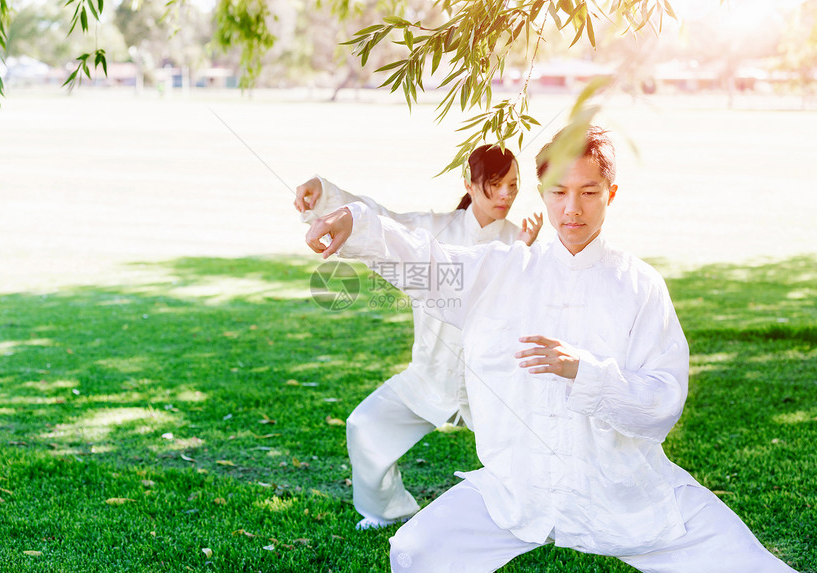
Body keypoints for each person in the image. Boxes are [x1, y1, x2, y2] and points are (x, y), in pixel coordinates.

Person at [304, 126, 798, 572]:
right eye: (559, 193)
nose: (572, 209)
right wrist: (360, 229)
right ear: (542, 194)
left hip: (621, 489)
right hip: (518, 490)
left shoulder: (640, 285)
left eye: (588, 193)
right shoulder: (503, 270)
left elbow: (662, 402)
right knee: (416, 551)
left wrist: (586, 372)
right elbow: (429, 264)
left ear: (612, 195)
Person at [294, 145, 543, 530]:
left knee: (533, 447)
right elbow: (378, 220)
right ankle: (387, 511)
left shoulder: (524, 240)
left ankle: (536, 514)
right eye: (494, 185)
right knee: (365, 427)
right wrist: (324, 193)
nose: (506, 195)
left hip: (494, 383)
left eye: (513, 185)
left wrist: (524, 254)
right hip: (430, 375)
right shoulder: (433, 229)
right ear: (469, 185)